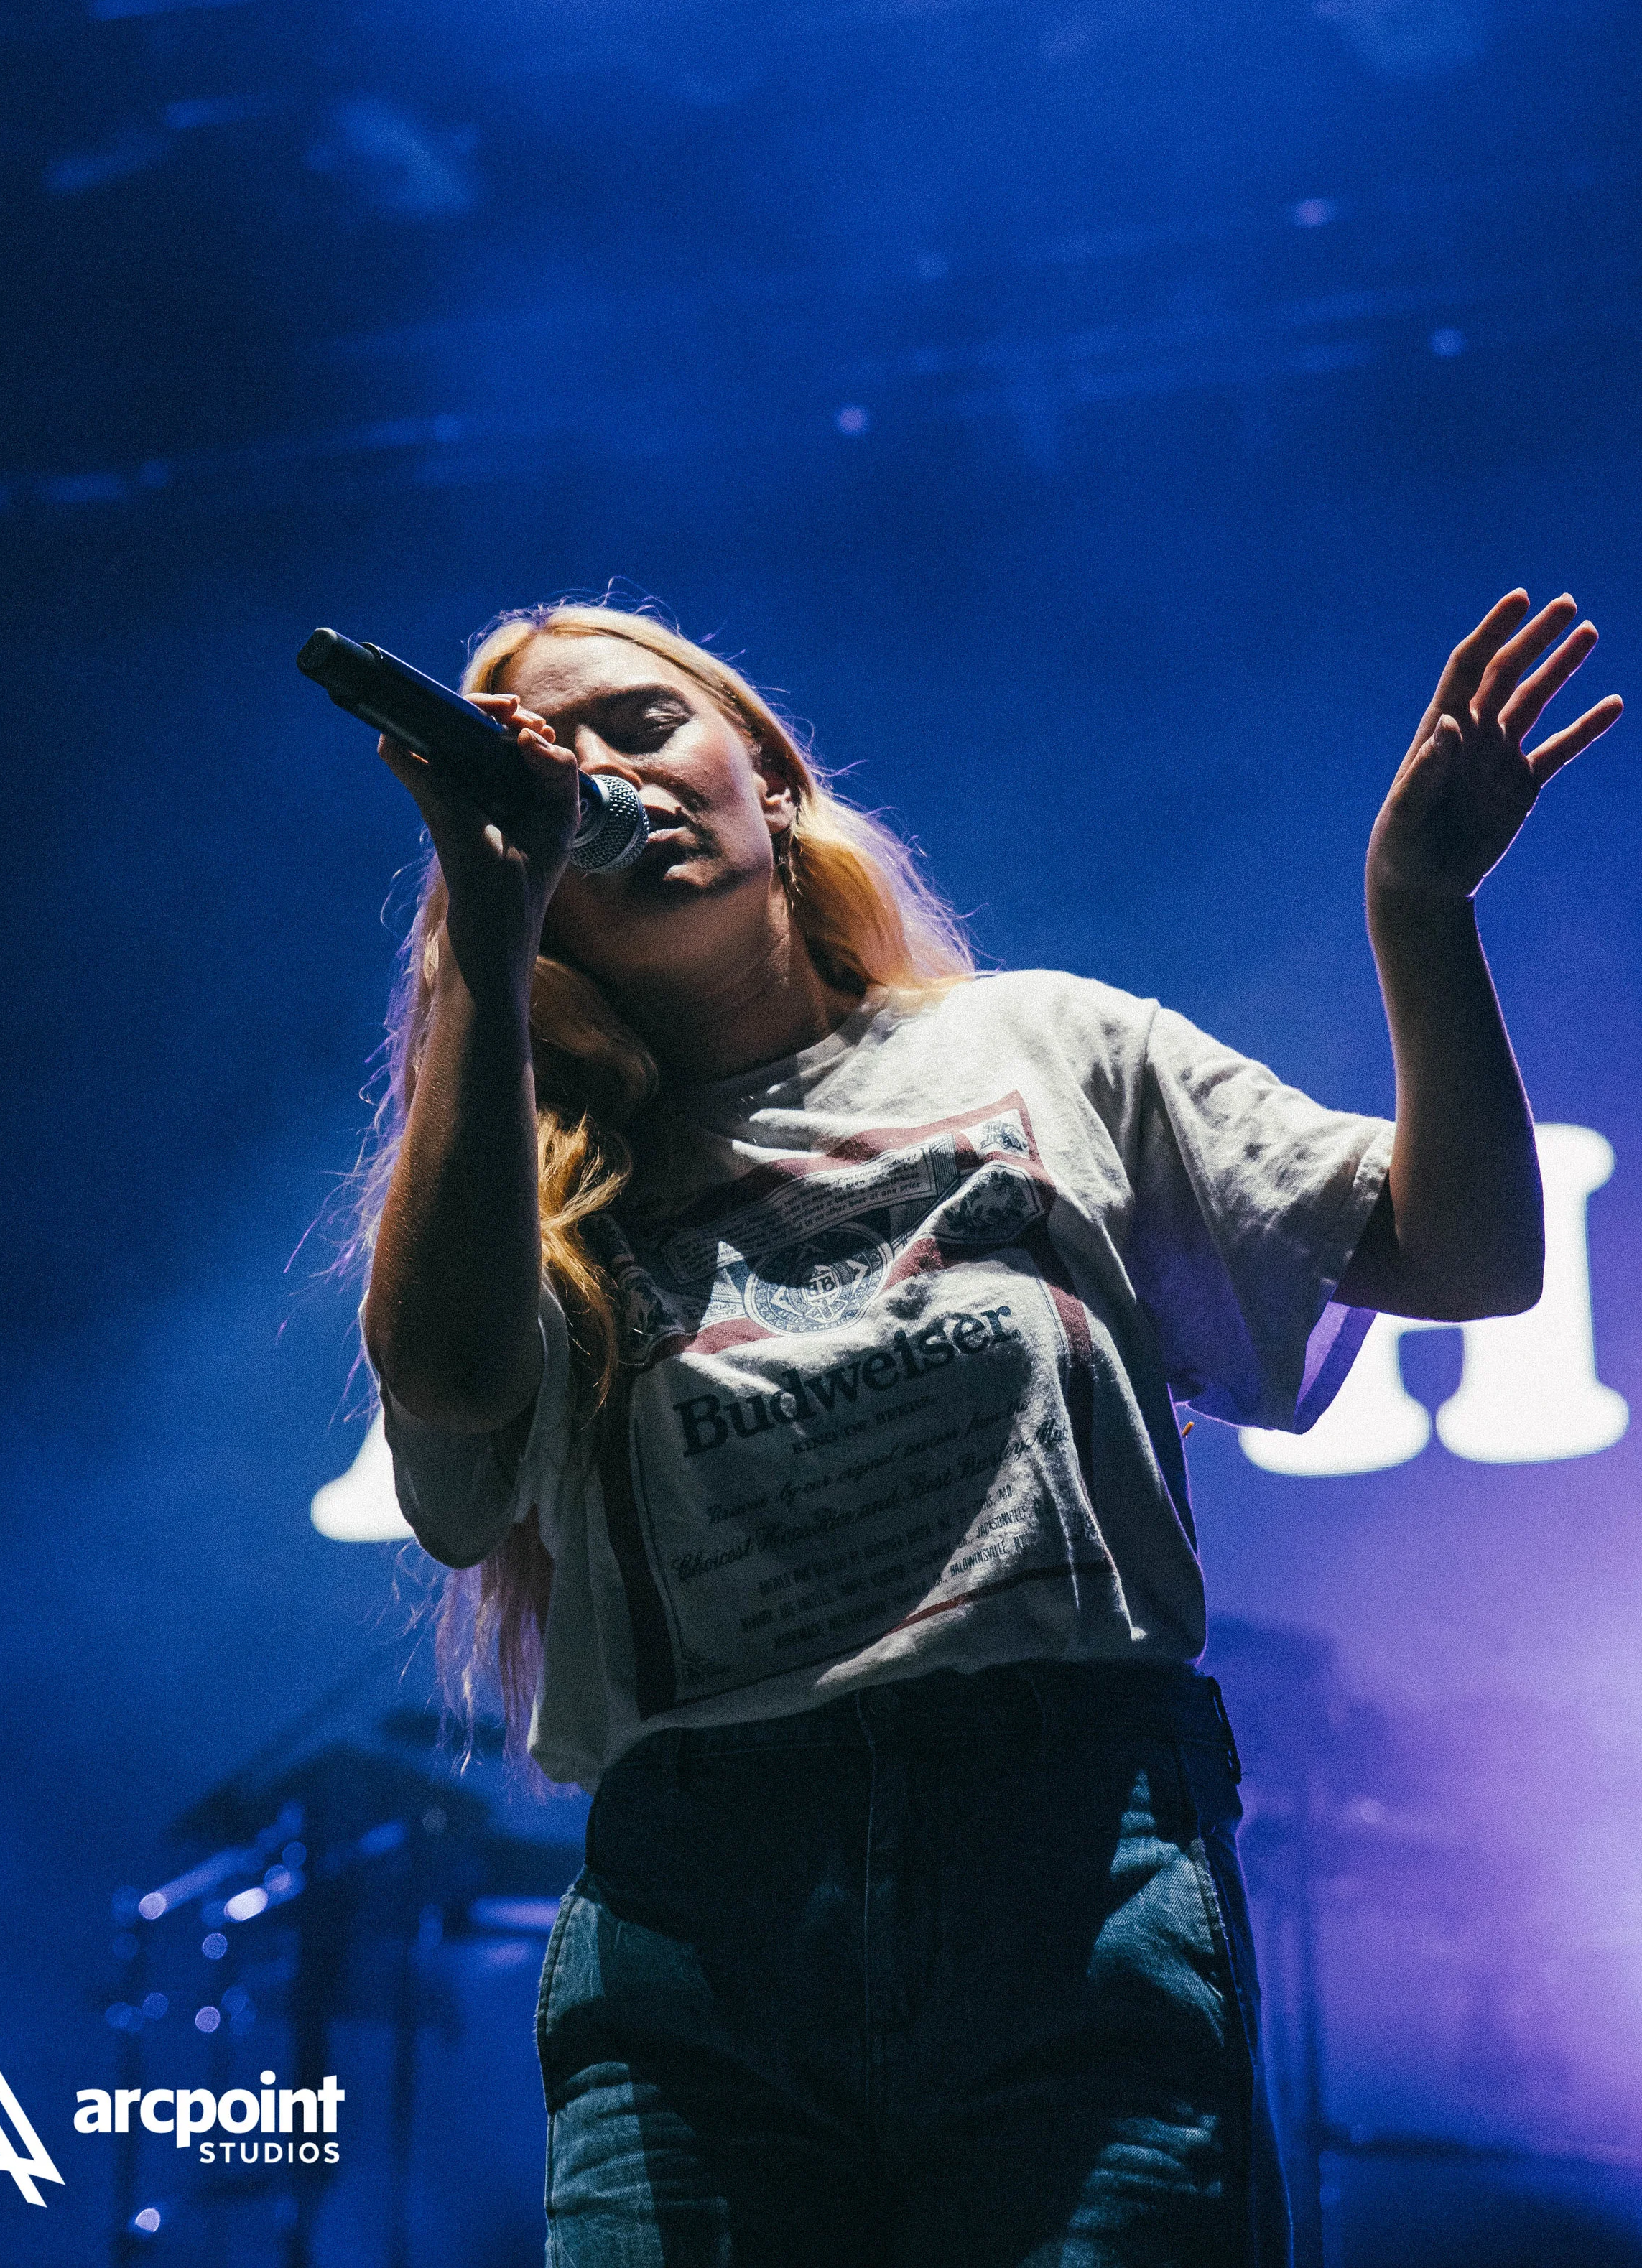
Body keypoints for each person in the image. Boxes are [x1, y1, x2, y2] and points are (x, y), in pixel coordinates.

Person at [350, 589, 1618, 2268]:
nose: (599, 771)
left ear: (772, 784)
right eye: (549, 759)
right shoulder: (527, 1187)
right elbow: (444, 1395)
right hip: (701, 1935)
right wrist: (486, 936)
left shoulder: (1039, 1047)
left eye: (641, 725)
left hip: (1071, 1870)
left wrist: (1419, 908)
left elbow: (1469, 1254)